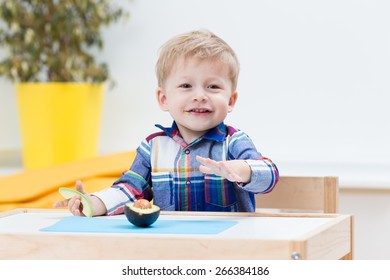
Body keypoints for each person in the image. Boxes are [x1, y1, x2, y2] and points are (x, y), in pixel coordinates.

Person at [53, 30, 279, 216]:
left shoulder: (234, 142)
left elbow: (269, 174)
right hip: (170, 247)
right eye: (186, 86)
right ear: (164, 99)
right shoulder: (152, 147)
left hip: (228, 246)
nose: (200, 95)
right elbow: (130, 190)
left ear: (230, 100)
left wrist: (242, 169)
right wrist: (93, 203)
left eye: (213, 87)